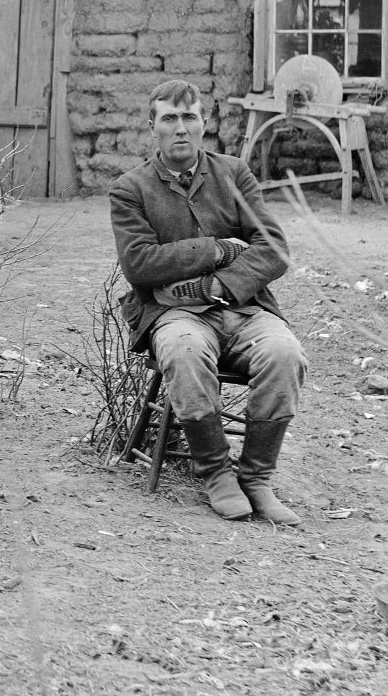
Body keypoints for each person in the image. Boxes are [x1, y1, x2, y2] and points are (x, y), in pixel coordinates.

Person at [110, 79, 308, 525]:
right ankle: (216, 472)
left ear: (204, 124)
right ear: (152, 127)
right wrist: (218, 248)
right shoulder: (130, 188)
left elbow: (273, 248)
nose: (180, 128)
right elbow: (140, 264)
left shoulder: (233, 173)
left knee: (285, 353)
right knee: (183, 350)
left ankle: (256, 477)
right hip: (173, 314)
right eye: (169, 119)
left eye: (189, 118)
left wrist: (219, 287)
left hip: (243, 306)